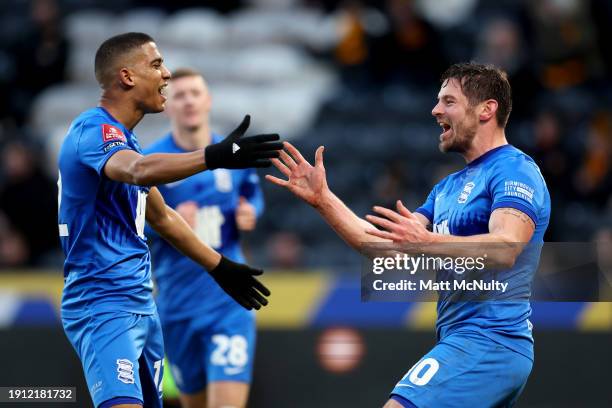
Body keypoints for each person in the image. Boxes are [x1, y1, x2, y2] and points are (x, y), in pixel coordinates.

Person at [267, 62, 550, 408]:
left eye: (448, 101)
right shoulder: (446, 189)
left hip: (490, 341)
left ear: (486, 110)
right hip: (465, 338)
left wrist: (427, 242)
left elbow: (506, 248)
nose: (435, 110)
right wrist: (323, 200)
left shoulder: (514, 169)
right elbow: (385, 250)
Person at [57, 32, 281, 408]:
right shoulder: (94, 131)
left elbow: (162, 216)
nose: (167, 74)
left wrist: (220, 266)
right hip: (104, 304)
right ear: (128, 77)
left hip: (142, 305)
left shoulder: (126, 142)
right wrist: (213, 155)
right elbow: (140, 171)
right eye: (157, 64)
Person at [144, 68, 262, 408]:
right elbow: (135, 224)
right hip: (175, 304)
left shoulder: (233, 153)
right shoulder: (155, 162)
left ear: (208, 100)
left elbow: (252, 194)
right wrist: (168, 222)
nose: (189, 101)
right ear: (168, 106)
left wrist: (250, 212)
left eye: (195, 93)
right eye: (179, 95)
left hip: (228, 301)